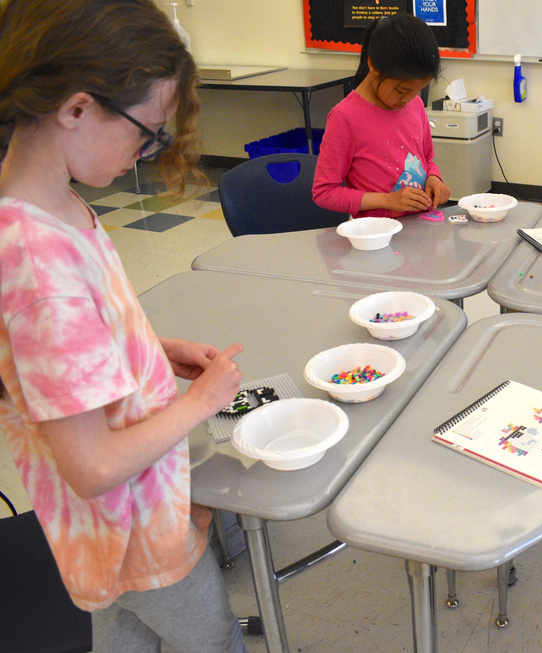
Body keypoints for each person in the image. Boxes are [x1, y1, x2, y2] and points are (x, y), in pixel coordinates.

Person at [0, 1, 247, 651]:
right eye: (147, 132)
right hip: (128, 522)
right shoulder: (36, 266)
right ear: (76, 108)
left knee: (123, 636)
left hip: (112, 529)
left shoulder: (55, 202)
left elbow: (79, 345)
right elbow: (92, 464)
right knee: (212, 636)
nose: (146, 152)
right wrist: (203, 401)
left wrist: (156, 350)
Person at [312, 13, 450, 219]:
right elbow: (324, 192)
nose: (409, 99)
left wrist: (433, 178)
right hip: (378, 238)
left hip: (419, 227)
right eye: (402, 91)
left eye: (418, 90)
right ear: (373, 65)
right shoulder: (345, 117)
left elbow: (427, 158)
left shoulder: (415, 104)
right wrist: (388, 200)